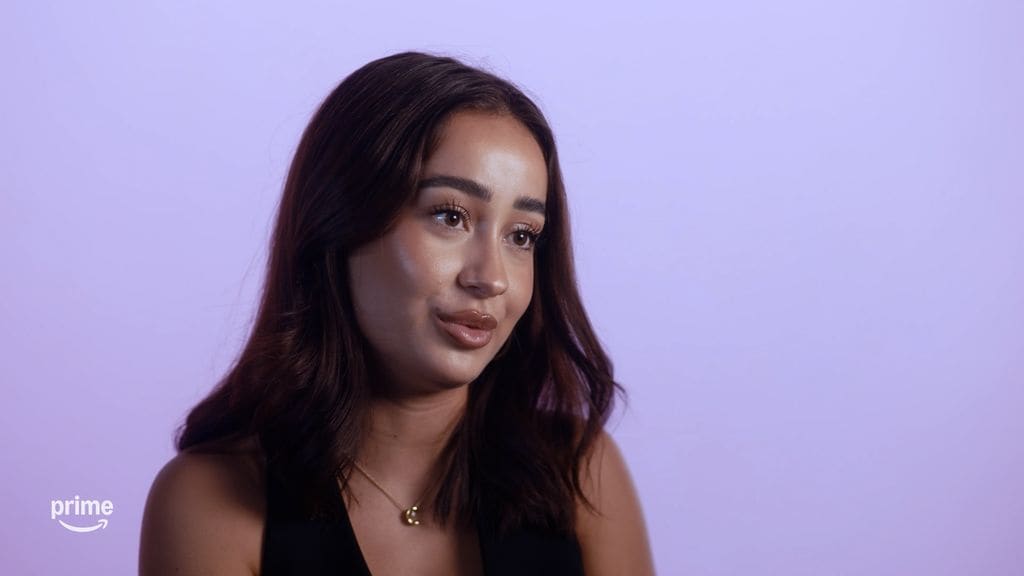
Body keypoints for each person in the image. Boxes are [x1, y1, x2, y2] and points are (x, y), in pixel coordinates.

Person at [139, 51, 654, 576]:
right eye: (449, 216)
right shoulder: (211, 502)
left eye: (521, 236)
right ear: (339, 225)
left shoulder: (580, 472)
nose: (491, 277)